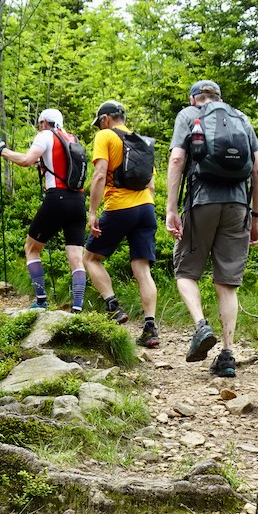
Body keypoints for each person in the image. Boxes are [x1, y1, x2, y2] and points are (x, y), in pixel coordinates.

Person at [165, 80, 258, 377]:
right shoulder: (241, 118)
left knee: (185, 272)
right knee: (227, 281)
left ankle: (200, 325)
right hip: (237, 206)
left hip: (201, 202)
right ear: (219, 97)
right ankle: (228, 353)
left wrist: (171, 209)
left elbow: (176, 158)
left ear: (194, 98)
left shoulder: (188, 115)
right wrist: (256, 218)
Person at [0, 108, 89, 312]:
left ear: (44, 122)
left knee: (32, 248)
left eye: (39, 123)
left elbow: (26, 160)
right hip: (78, 201)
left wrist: (3, 151)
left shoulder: (45, 135)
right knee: (76, 257)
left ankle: (41, 300)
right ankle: (78, 308)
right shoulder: (73, 139)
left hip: (56, 199)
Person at [82, 100, 161, 348]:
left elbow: (99, 175)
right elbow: (151, 184)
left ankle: (113, 306)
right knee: (142, 269)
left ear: (105, 119)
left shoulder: (105, 136)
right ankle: (150, 328)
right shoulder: (142, 143)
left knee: (90, 258)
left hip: (118, 207)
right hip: (146, 208)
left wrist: (92, 212)